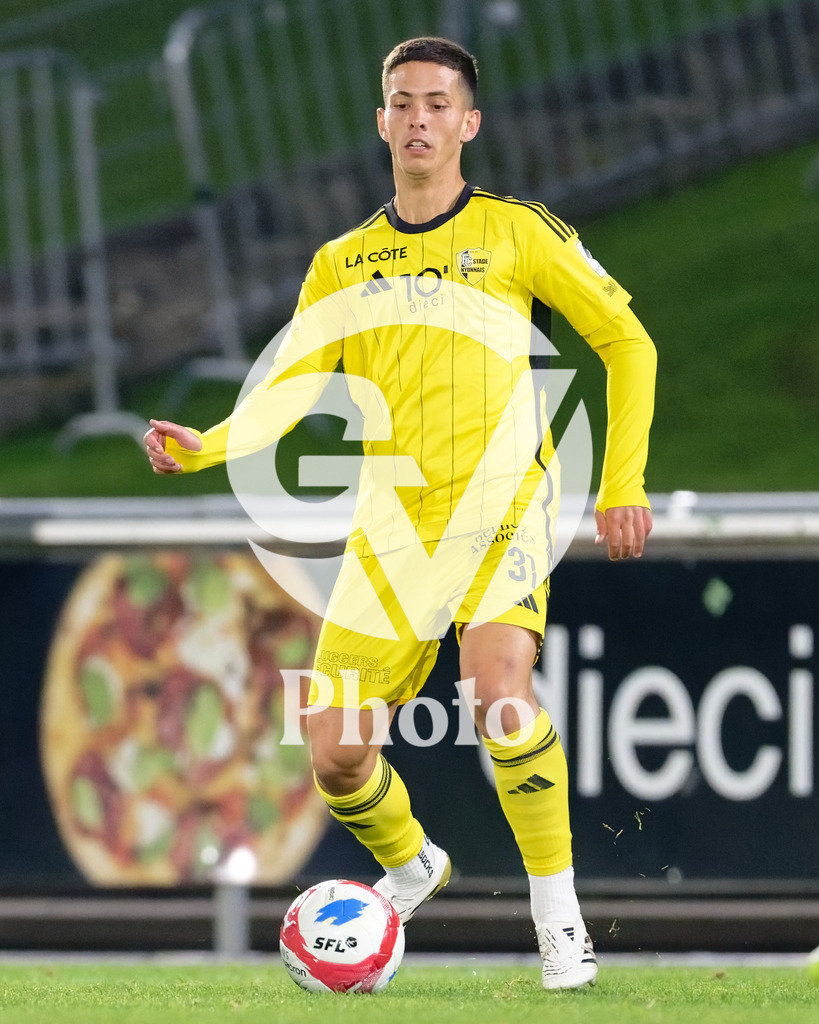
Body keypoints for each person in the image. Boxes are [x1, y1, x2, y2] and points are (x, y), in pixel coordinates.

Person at [145, 36, 656, 990]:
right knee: (337, 757)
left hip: (503, 506)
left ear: (468, 123)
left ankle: (559, 923)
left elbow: (628, 344)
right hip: (391, 533)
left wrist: (619, 480)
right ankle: (415, 864)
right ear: (381, 122)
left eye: (436, 103)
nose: (418, 118)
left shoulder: (517, 233)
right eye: (402, 103)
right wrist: (208, 443)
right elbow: (290, 386)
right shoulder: (342, 261)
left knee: (499, 689)